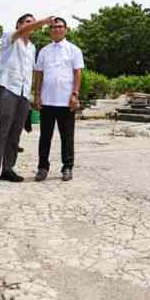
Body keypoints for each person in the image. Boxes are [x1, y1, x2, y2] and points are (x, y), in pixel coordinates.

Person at [0, 13, 55, 188]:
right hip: (8, 88)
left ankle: (8, 169)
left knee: (16, 133)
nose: (31, 26)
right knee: (2, 130)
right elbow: (24, 30)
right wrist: (42, 22)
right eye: (27, 22)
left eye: (32, 23)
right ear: (19, 25)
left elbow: (31, 71)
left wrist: (33, 94)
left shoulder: (32, 47)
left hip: (23, 93)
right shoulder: (9, 37)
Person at [33, 17, 84, 182]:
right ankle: (42, 168)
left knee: (67, 137)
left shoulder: (73, 50)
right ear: (49, 31)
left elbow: (77, 73)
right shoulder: (44, 51)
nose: (56, 29)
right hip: (47, 101)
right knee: (45, 136)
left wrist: (75, 94)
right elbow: (38, 74)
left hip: (66, 101)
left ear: (66, 29)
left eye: (59, 27)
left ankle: (67, 167)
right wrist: (37, 95)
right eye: (53, 27)